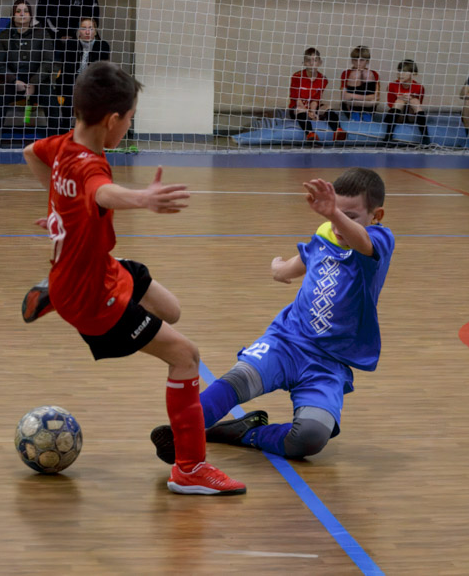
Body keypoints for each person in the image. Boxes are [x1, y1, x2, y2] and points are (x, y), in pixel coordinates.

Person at [19, 60, 246, 495]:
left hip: (99, 267)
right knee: (185, 356)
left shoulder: (63, 144)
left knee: (171, 311)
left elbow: (31, 152)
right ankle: (190, 468)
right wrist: (141, 198)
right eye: (130, 119)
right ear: (112, 120)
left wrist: (61, 210)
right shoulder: (90, 166)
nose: (129, 126)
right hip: (93, 299)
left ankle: (54, 293)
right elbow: (102, 192)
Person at [149, 168, 394, 462]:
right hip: (286, 341)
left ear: (376, 216)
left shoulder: (379, 241)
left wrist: (333, 213)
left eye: (349, 216)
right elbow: (307, 258)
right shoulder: (327, 232)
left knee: (311, 437)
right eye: (334, 213)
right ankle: (182, 437)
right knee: (235, 383)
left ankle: (246, 433)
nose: (337, 222)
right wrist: (281, 270)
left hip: (328, 363)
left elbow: (362, 241)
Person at [0, 0, 54, 144]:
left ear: (31, 15)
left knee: (52, 102)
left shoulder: (42, 34)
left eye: (25, 11)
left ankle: (57, 143)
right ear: (13, 15)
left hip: (38, 81)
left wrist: (34, 83)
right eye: (18, 11)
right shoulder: (4, 35)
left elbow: (48, 62)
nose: (22, 14)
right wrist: (14, 81)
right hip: (12, 81)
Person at [55, 17, 111, 132]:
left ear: (95, 31)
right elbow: (68, 70)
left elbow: (100, 71)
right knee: (71, 93)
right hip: (72, 82)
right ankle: (64, 129)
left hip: (93, 83)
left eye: (90, 28)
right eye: (84, 28)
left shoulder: (102, 46)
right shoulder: (71, 44)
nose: (87, 32)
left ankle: (92, 130)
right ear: (79, 31)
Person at [289, 47, 346, 141]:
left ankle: (338, 130)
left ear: (320, 62)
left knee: (326, 107)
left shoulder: (323, 79)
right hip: (299, 107)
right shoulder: (297, 77)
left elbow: (316, 100)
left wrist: (313, 112)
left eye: (315, 60)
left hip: (312, 107)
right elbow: (297, 100)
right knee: (299, 109)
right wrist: (307, 112)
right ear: (304, 63)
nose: (312, 63)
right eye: (308, 61)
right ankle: (310, 133)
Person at [385, 59, 427, 143]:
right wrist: (401, 99)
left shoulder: (419, 87)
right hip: (398, 115)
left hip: (411, 116)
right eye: (399, 71)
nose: (400, 74)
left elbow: (419, 104)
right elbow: (390, 104)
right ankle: (388, 136)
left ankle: (425, 137)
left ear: (413, 73)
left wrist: (410, 99)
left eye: (404, 71)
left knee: (414, 101)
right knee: (399, 102)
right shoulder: (392, 85)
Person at [339, 46, 380, 116]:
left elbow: (376, 98)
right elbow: (345, 97)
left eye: (361, 60)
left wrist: (352, 96)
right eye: (355, 60)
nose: (358, 63)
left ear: (367, 61)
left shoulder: (373, 74)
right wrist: (367, 98)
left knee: (368, 74)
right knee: (355, 74)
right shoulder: (346, 73)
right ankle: (355, 114)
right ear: (352, 61)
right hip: (350, 106)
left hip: (368, 107)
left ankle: (366, 114)